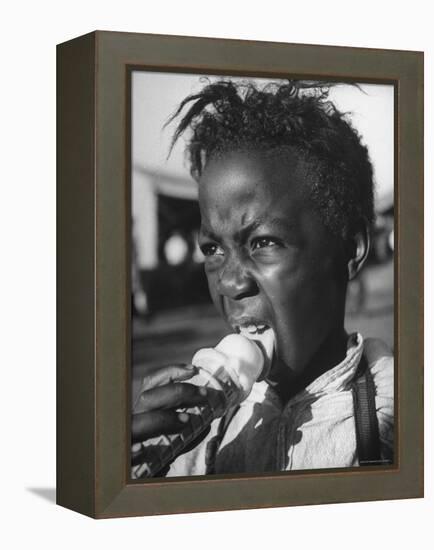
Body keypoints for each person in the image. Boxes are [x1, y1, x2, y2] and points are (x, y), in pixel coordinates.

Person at [131, 79, 394, 476]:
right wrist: (138, 475)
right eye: (213, 249)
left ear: (350, 250)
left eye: (263, 242)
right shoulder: (202, 434)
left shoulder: (400, 415)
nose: (230, 283)